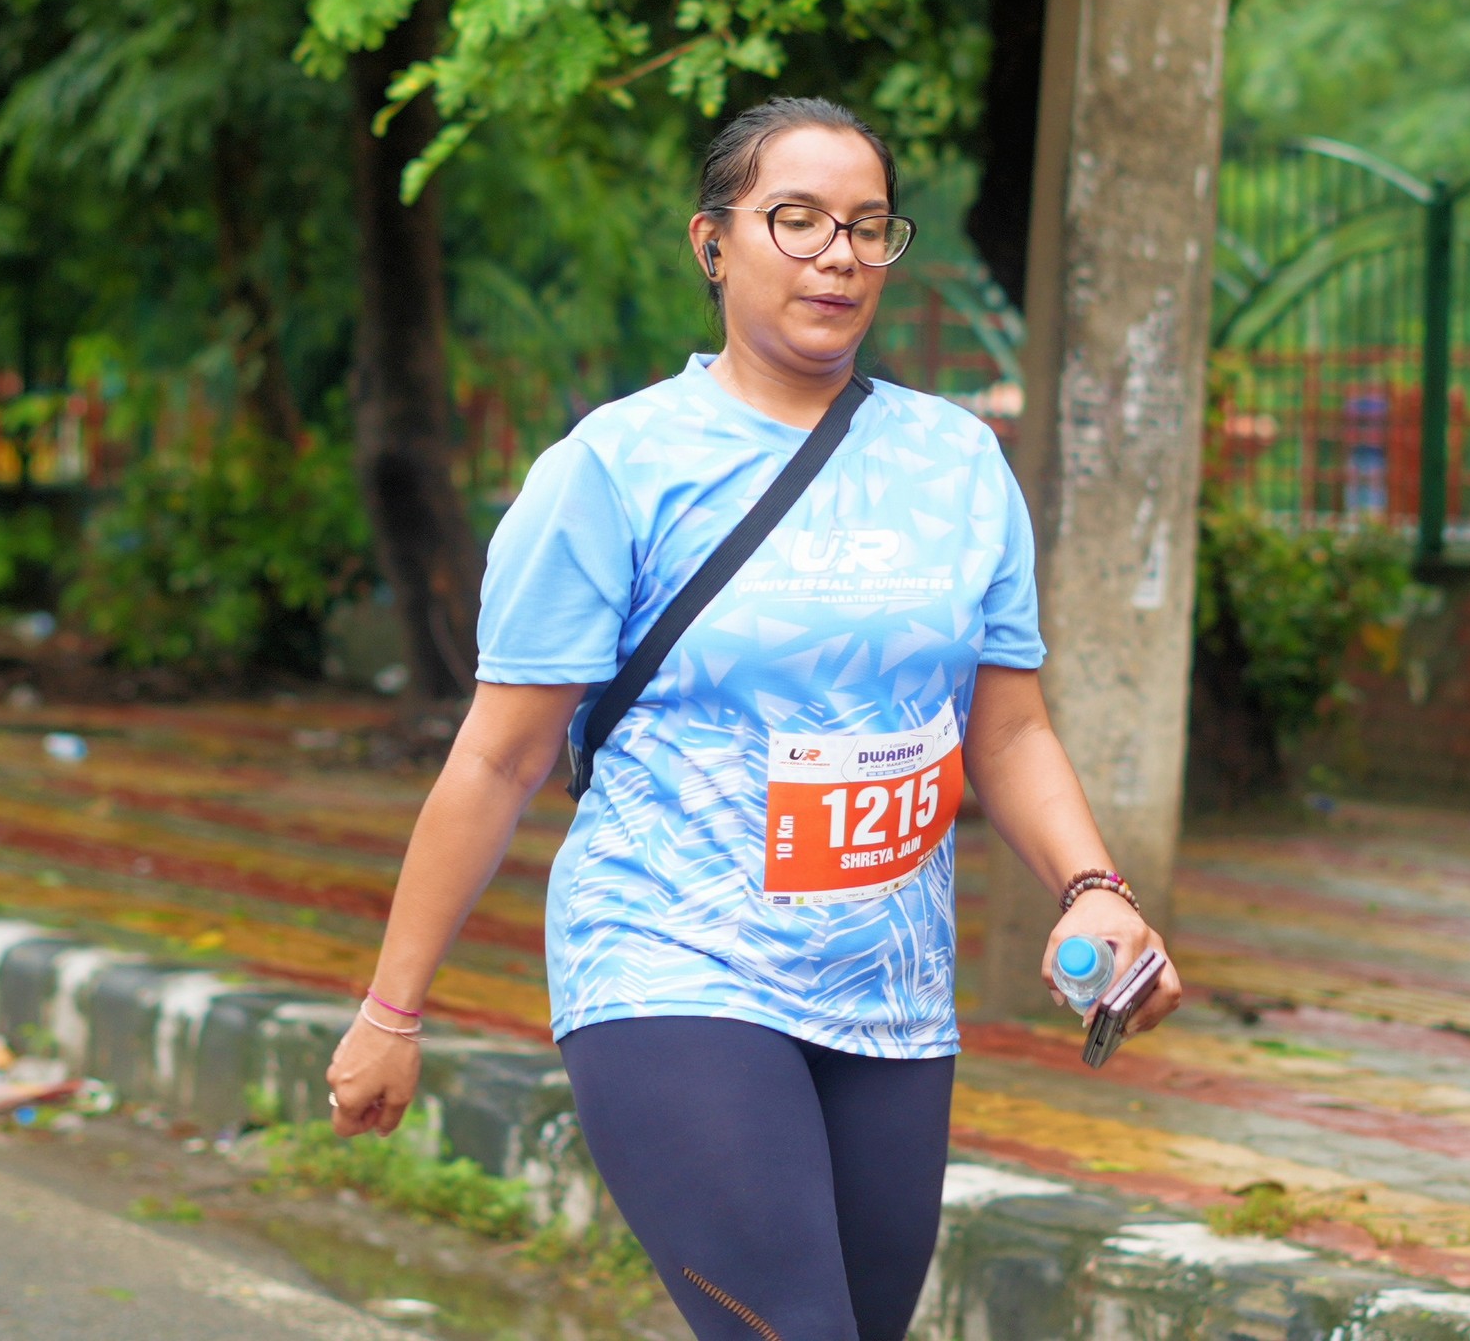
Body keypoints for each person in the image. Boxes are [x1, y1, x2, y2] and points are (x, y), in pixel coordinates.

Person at [326, 96, 1182, 1341]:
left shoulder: (956, 465)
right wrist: (392, 1010)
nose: (838, 254)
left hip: (890, 988)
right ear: (714, 242)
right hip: (674, 959)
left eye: (868, 227)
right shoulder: (614, 469)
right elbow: (499, 759)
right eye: (797, 220)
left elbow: (1006, 732)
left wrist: (1092, 889)